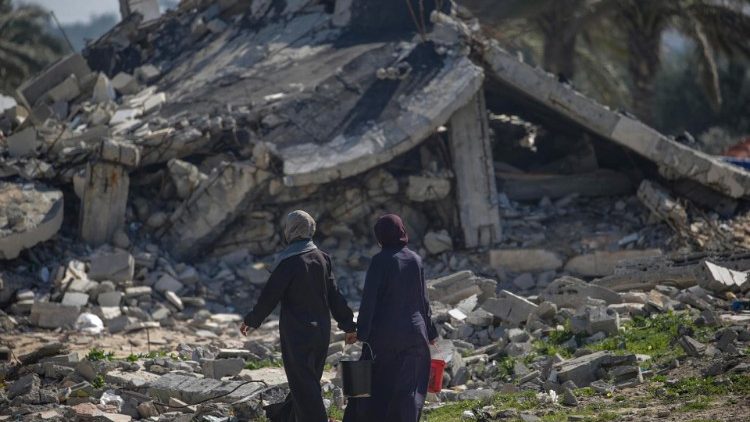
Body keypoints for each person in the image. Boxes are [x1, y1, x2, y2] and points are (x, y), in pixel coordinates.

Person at [240, 210, 357, 422]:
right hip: (321, 332)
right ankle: (285, 416)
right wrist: (349, 326)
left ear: (290, 230)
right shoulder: (323, 258)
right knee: (307, 383)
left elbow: (270, 296)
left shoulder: (287, 262)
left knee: (304, 385)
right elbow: (335, 296)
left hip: (297, 333)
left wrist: (251, 320)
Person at [343, 214, 438, 422]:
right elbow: (423, 300)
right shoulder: (415, 259)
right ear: (402, 231)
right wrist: (430, 332)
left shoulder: (379, 261)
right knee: (409, 390)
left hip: (384, 336)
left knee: (378, 387)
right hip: (415, 333)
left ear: (380, 237)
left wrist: (362, 333)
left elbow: (369, 301)